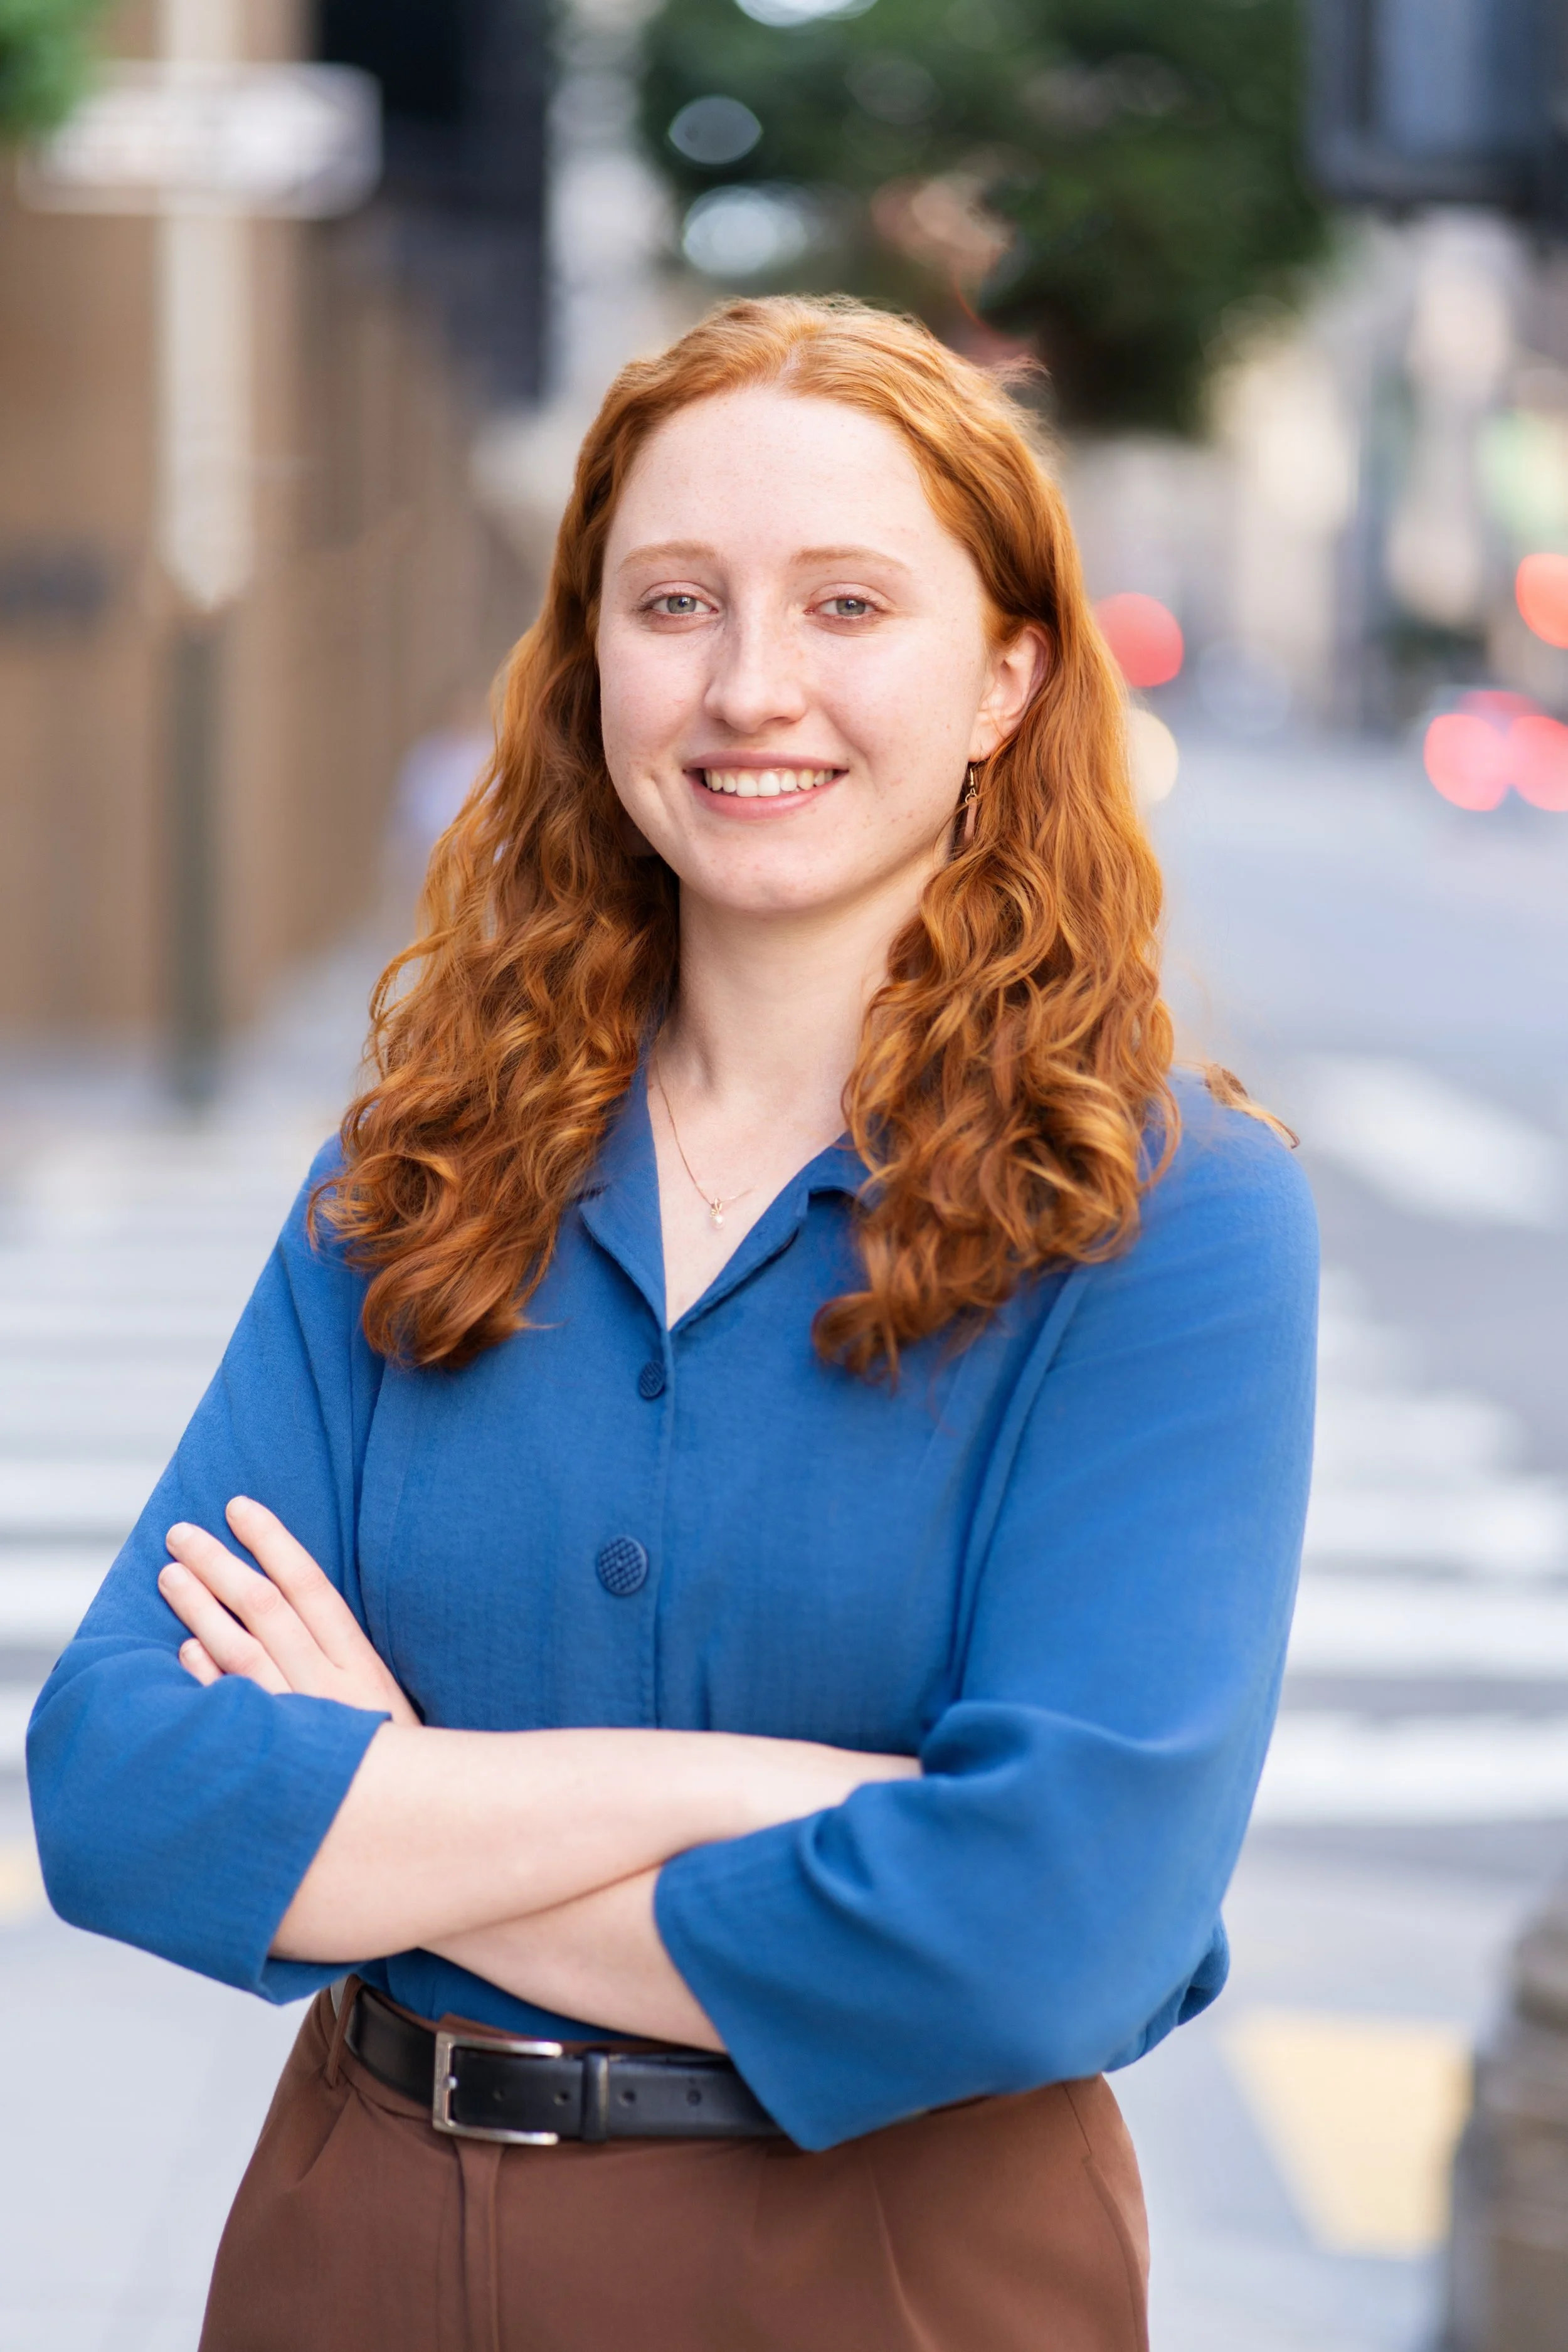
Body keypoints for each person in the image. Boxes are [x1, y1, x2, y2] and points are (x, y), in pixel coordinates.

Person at [28, 295, 1316, 2352]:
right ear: (588, 658)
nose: (747, 687)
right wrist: (749, 1789)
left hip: (893, 2278)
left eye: (846, 604)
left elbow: (1043, 1934)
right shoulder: (420, 1166)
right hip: (352, 2256)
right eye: (675, 601)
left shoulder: (1163, 1219)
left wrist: (394, 1800)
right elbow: (119, 1785)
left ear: (1005, 672)